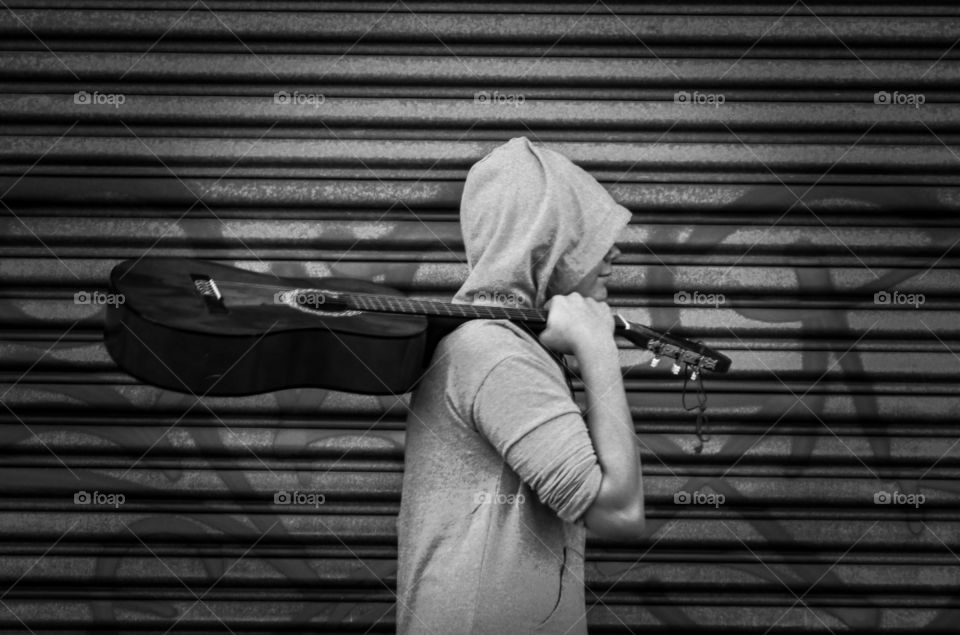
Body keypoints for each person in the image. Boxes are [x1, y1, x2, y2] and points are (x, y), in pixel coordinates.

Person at [396, 137, 645, 634]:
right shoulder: (496, 353)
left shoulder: (502, 346)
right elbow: (619, 513)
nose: (614, 248)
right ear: (544, 239)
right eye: (588, 232)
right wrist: (598, 348)